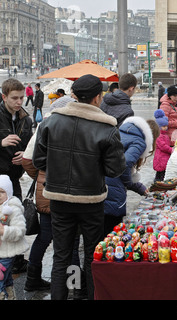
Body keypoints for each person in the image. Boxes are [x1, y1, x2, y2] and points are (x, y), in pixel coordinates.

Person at [32, 74, 126, 300]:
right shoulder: (107, 127)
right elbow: (115, 170)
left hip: (59, 198)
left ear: (74, 95)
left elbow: (38, 161)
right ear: (97, 97)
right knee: (92, 255)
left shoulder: (50, 122)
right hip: (91, 200)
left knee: (61, 255)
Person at [21, 96, 76, 293]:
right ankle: (73, 285)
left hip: (45, 190)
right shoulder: (69, 126)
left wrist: (41, 175)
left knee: (44, 237)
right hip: (66, 192)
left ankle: (32, 279)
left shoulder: (44, 126)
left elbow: (28, 160)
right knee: (70, 239)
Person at [103, 116, 159, 236]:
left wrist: (140, 188)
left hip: (102, 187)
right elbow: (125, 165)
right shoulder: (139, 141)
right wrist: (129, 183)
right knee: (110, 236)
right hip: (113, 194)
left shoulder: (120, 132)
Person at [0, 78, 33, 275]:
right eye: (14, 98)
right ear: (4, 97)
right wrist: (1, 142)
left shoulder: (26, 119)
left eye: (22, 97)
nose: (19, 102)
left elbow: (30, 144)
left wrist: (25, 155)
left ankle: (18, 259)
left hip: (14, 176)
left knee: (16, 214)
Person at [0, 175, 29, 300]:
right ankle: (11, 296)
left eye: (1, 192)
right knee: (6, 279)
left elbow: (20, 231)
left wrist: (4, 231)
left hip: (7, 252)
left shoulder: (13, 209)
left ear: (9, 192)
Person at [153, 109, 173, 182]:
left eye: (166, 126)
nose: (165, 128)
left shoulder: (164, 135)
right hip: (161, 157)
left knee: (161, 173)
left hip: (164, 157)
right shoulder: (159, 136)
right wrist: (171, 150)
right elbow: (163, 146)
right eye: (163, 126)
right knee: (161, 173)